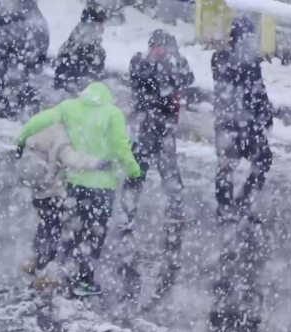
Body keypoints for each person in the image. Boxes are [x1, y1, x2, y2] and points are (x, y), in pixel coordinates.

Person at [16, 82, 141, 296]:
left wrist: (20, 141)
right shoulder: (113, 114)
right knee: (94, 235)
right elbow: (121, 146)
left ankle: (61, 270)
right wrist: (134, 171)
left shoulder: (69, 107)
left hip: (74, 183)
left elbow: (38, 121)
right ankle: (84, 280)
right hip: (102, 186)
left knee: (73, 230)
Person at [122, 29, 194, 306]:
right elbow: (177, 82)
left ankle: (147, 212)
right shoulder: (147, 62)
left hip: (155, 127)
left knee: (154, 172)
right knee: (151, 172)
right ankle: (145, 212)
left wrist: (172, 63)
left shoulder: (155, 63)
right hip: (153, 127)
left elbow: (185, 80)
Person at [18, 124, 110, 288]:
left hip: (38, 192)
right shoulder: (60, 136)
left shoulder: (37, 133)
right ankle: (42, 274)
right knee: (52, 233)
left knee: (44, 226)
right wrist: (96, 163)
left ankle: (34, 261)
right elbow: (72, 159)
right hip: (54, 192)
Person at [211, 16, 273, 224]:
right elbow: (235, 80)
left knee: (263, 160)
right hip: (228, 123)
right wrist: (249, 60)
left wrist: (266, 116)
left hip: (250, 125)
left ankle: (244, 202)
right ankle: (225, 208)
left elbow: (259, 92)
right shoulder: (221, 59)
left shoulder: (250, 62)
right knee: (227, 166)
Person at [53, 6, 107, 93]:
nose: (103, 27)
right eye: (101, 23)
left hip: (88, 97)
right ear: (91, 25)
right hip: (76, 99)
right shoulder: (73, 50)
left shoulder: (96, 48)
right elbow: (66, 86)